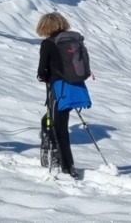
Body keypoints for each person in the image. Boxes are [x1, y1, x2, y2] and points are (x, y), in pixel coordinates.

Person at [36, 11, 81, 179]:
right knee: (53, 121)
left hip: (58, 88)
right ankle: (53, 152)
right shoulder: (71, 41)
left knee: (58, 126)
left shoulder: (48, 44)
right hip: (74, 87)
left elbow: (41, 71)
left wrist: (45, 76)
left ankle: (66, 165)